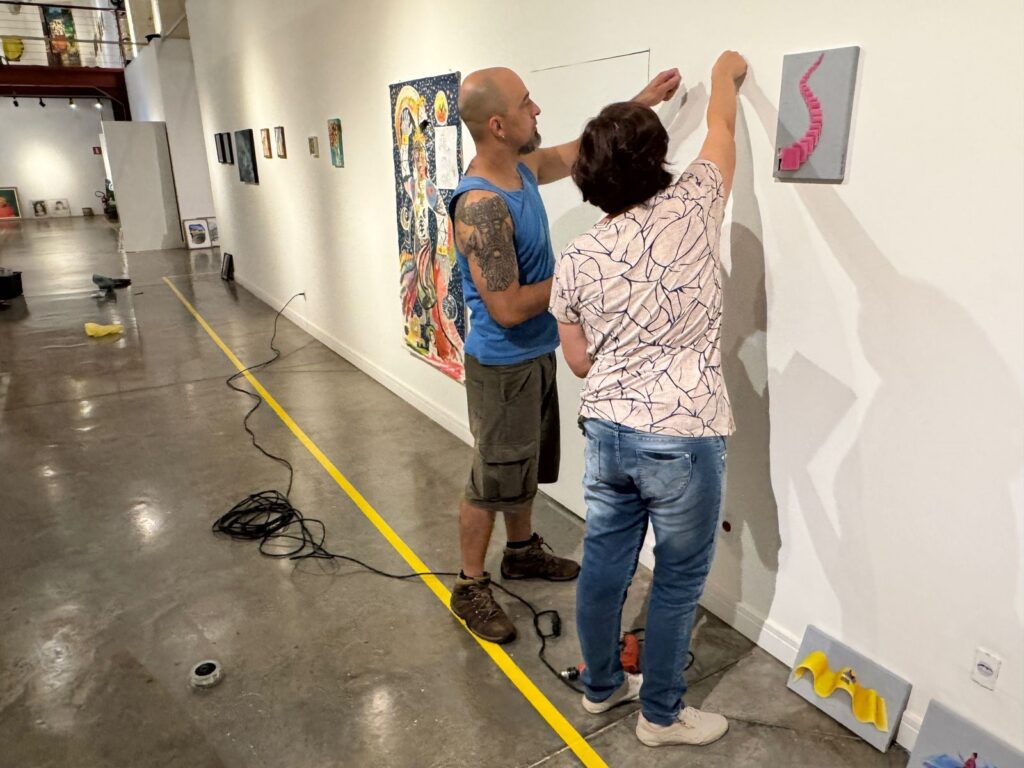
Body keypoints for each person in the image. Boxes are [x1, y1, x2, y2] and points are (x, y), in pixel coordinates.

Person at [550, 51, 747, 747]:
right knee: (677, 581)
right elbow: (722, 125)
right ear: (661, 158)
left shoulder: (576, 258)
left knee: (605, 563)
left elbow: (577, 363)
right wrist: (724, 72)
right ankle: (661, 716)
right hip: (683, 435)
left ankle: (601, 687)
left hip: (606, 430)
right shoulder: (695, 202)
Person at [448, 66, 682, 643]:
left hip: (535, 356)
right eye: (528, 105)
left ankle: (522, 551)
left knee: (526, 467)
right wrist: (584, 272)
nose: (539, 111)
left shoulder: (521, 168)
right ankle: (469, 584)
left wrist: (643, 100)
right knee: (492, 478)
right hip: (501, 365)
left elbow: (580, 149)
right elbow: (505, 307)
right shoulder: (480, 204)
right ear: (499, 125)